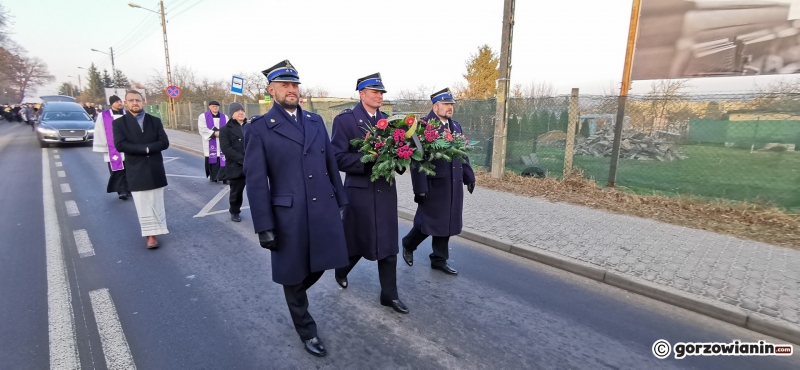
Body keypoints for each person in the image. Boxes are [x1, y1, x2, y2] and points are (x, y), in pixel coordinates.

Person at [244, 60, 349, 357]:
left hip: (323, 209)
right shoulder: (261, 129)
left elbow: (330, 163)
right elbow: (255, 181)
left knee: (322, 263)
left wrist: (342, 200)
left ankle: (297, 296)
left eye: (294, 85)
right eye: (284, 85)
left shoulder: (315, 121)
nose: (291, 90)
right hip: (287, 215)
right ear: (271, 90)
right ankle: (306, 330)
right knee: (292, 274)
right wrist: (264, 226)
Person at [330, 73, 409, 314]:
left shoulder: (389, 121)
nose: (379, 96)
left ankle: (389, 295)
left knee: (388, 242)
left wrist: (400, 158)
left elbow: (397, 153)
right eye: (374, 91)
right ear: (361, 94)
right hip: (359, 191)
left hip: (385, 190)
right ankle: (342, 270)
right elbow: (337, 157)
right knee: (356, 240)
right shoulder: (345, 120)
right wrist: (369, 159)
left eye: (381, 92)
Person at [402, 88, 476, 275]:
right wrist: (419, 188)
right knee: (428, 222)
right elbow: (417, 158)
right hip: (433, 184)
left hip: (453, 183)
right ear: (435, 106)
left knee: (447, 222)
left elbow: (462, 154)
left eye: (451, 104)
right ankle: (408, 244)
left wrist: (468, 176)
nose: (450, 107)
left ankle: (439, 259)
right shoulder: (423, 126)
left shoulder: (456, 127)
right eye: (446, 104)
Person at [112, 90, 170, 249]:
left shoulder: (154, 121)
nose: (134, 103)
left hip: (155, 167)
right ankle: (150, 235)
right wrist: (143, 149)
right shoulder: (119, 123)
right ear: (126, 103)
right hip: (136, 168)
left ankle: (158, 228)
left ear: (144, 102)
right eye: (131, 100)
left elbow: (164, 142)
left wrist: (148, 148)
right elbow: (120, 145)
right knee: (142, 202)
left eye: (138, 100)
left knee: (156, 200)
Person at [93, 95, 131, 200]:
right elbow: (100, 131)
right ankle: (121, 191)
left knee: (128, 170)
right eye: (118, 102)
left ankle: (129, 189)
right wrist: (104, 146)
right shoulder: (103, 116)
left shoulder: (127, 114)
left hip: (126, 146)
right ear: (112, 103)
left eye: (120, 101)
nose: (120, 103)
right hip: (112, 148)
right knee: (117, 170)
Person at [218, 102, 247, 222]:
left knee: (258, 191)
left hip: (253, 165)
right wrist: (243, 159)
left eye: (242, 110)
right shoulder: (225, 130)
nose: (241, 112)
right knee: (236, 192)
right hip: (236, 166)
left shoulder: (251, 126)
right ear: (232, 114)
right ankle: (235, 211)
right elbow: (226, 149)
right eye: (237, 111)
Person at [197, 101, 227, 183]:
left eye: (217, 106)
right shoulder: (203, 117)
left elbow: (228, 127)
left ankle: (224, 178)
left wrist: (222, 133)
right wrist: (214, 133)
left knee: (223, 159)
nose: (215, 108)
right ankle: (214, 177)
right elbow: (202, 128)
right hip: (210, 142)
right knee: (212, 159)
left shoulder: (224, 117)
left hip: (221, 141)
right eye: (213, 106)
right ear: (209, 107)